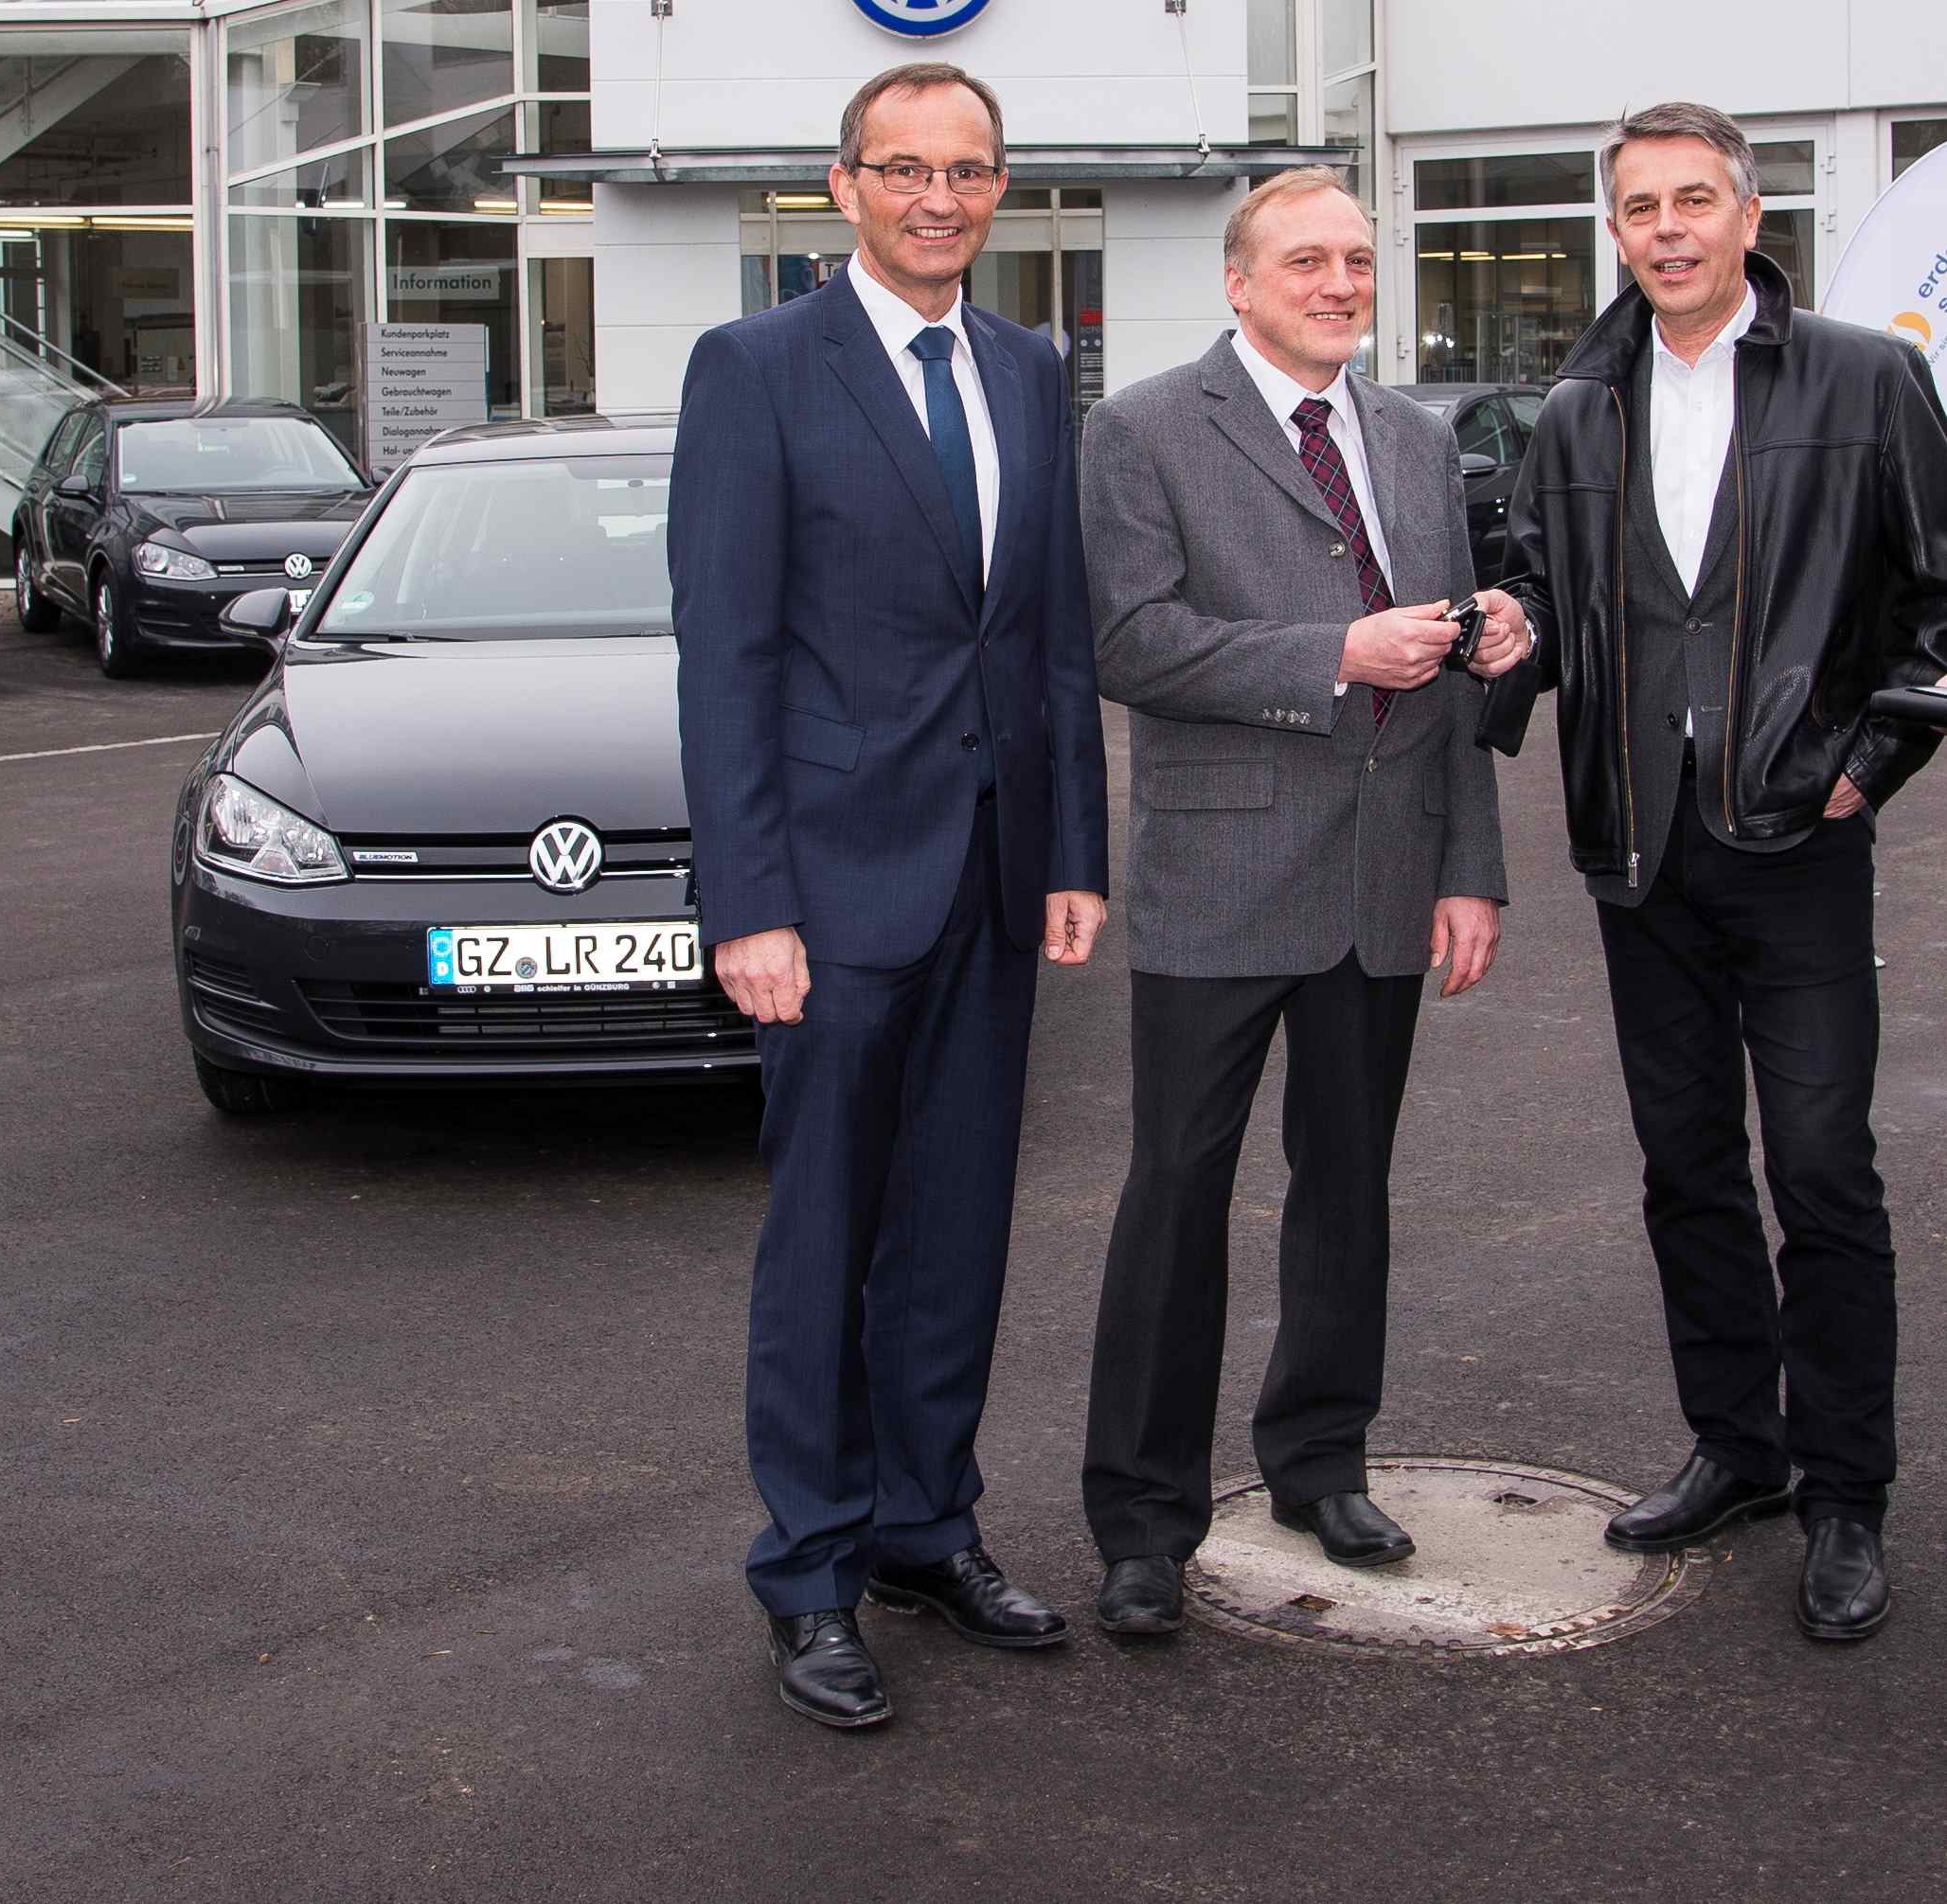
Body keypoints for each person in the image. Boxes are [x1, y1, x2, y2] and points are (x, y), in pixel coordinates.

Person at [670, 61, 1109, 1732]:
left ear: (1003, 188)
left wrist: (1073, 849)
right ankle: (811, 1569)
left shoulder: (1023, 364)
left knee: (955, 1233)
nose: (941, 199)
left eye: (971, 170)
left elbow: (1049, 638)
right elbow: (729, 657)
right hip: (832, 895)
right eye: (906, 169)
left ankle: (930, 1528)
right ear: (842, 185)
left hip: (994, 881)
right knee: (827, 1241)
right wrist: (749, 902)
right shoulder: (757, 368)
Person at [1497, 102, 1947, 1643]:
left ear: (1754, 218)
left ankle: (1845, 1493)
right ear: (1613, 231)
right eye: (1640, 207)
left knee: (1820, 1170)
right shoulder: (1574, 408)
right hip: (1639, 850)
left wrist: (1866, 765)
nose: (1670, 228)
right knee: (1685, 1166)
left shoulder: (1868, 379)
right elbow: (1546, 596)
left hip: (1797, 842)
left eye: (1698, 199)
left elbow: (1938, 608)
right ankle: (1738, 1451)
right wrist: (1513, 638)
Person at [1075, 167, 1524, 1637]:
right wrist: (1334, 654)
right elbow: (1135, 644)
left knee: (1349, 1188)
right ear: (1239, 282)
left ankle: (1320, 1461)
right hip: (1219, 876)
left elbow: (1452, 683)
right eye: (1306, 261)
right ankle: (1144, 1523)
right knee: (1176, 1194)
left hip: (1385, 880)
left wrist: (1471, 867)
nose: (1338, 283)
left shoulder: (1410, 437)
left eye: (1356, 260)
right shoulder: (1141, 428)